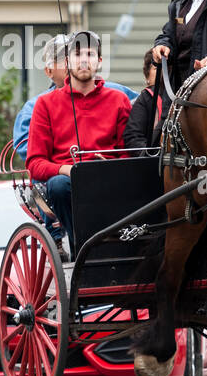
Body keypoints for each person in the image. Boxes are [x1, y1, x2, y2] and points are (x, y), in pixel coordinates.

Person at [25, 30, 132, 251]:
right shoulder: (45, 104)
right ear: (67, 61)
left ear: (99, 61)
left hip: (110, 181)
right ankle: (81, 246)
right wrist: (66, 169)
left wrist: (112, 167)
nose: (84, 60)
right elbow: (35, 164)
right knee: (57, 185)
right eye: (77, 54)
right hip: (69, 185)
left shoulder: (119, 100)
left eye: (90, 54)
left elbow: (127, 153)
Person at [12, 34, 137, 158]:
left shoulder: (116, 93)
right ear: (48, 71)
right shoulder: (35, 107)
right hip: (61, 172)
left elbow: (145, 108)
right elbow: (29, 152)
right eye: (62, 58)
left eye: (88, 54)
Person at [123, 48, 165, 153]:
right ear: (147, 76)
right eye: (157, 68)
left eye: (167, 67)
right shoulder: (146, 97)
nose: (164, 72)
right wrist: (151, 155)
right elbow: (133, 137)